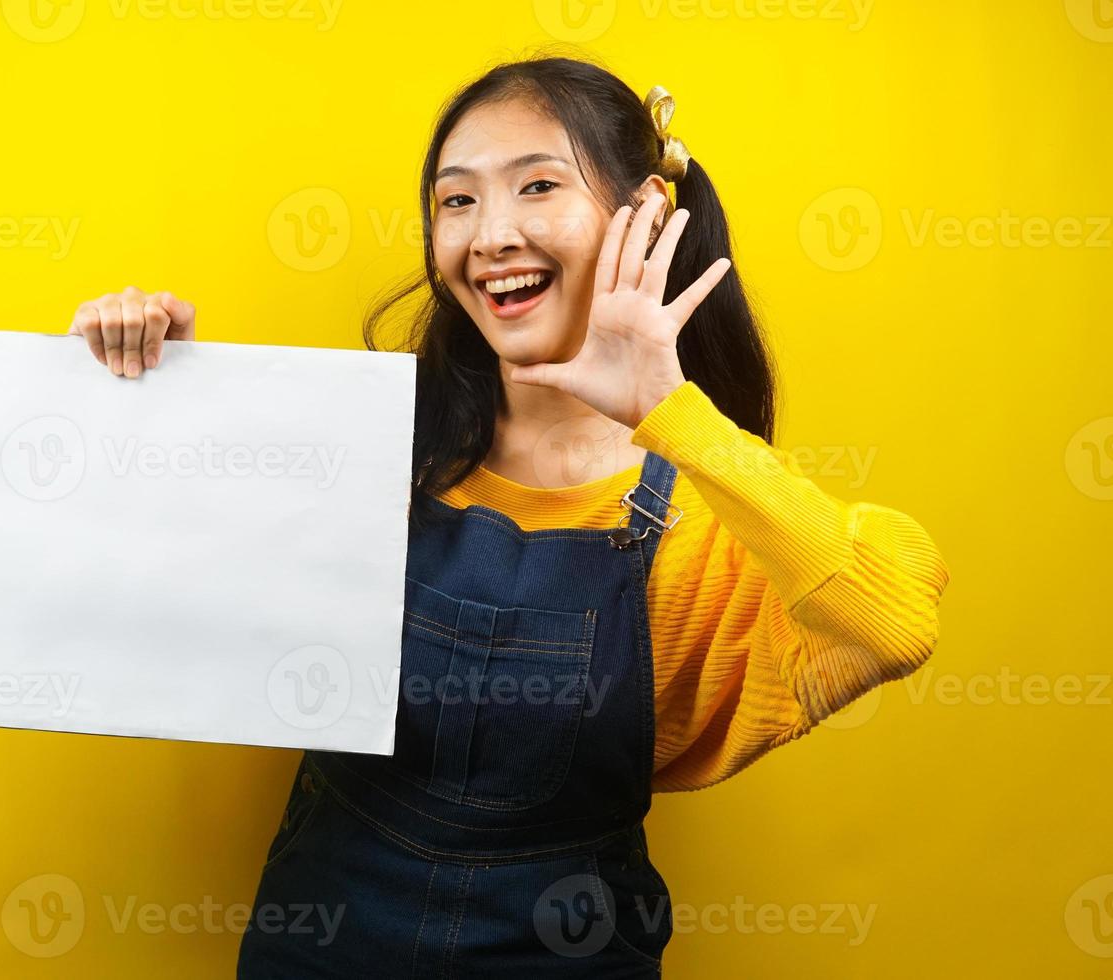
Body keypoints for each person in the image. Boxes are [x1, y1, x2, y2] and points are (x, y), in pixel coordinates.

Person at [67, 55, 949, 979]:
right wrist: (149, 395)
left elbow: (888, 621)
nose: (490, 237)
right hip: (324, 939)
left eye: (537, 186)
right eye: (457, 202)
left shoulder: (707, 509)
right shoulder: (372, 444)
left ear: (644, 212)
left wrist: (673, 412)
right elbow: (175, 593)